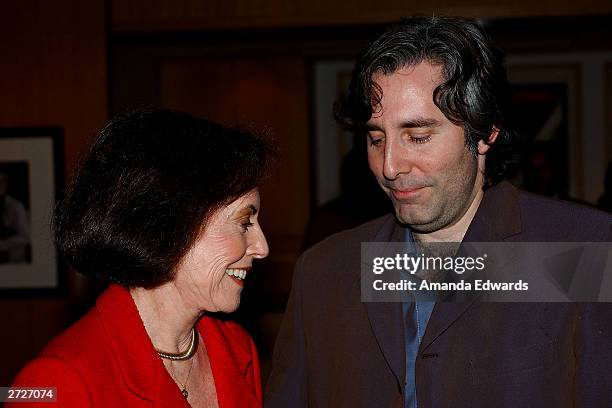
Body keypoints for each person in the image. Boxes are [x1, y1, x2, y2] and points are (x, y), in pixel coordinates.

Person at [265, 17, 612, 408]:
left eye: (418, 137)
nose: (390, 166)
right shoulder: (325, 272)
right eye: (376, 138)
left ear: (484, 132)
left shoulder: (584, 249)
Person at [10, 108, 272, 407]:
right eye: (244, 222)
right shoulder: (57, 380)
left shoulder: (237, 349)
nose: (262, 247)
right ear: (170, 226)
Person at [0, 169, 30, 263]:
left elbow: (25, 237)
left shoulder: (16, 206)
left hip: (14, 261)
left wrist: (3, 244)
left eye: (1, 181)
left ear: (5, 184)